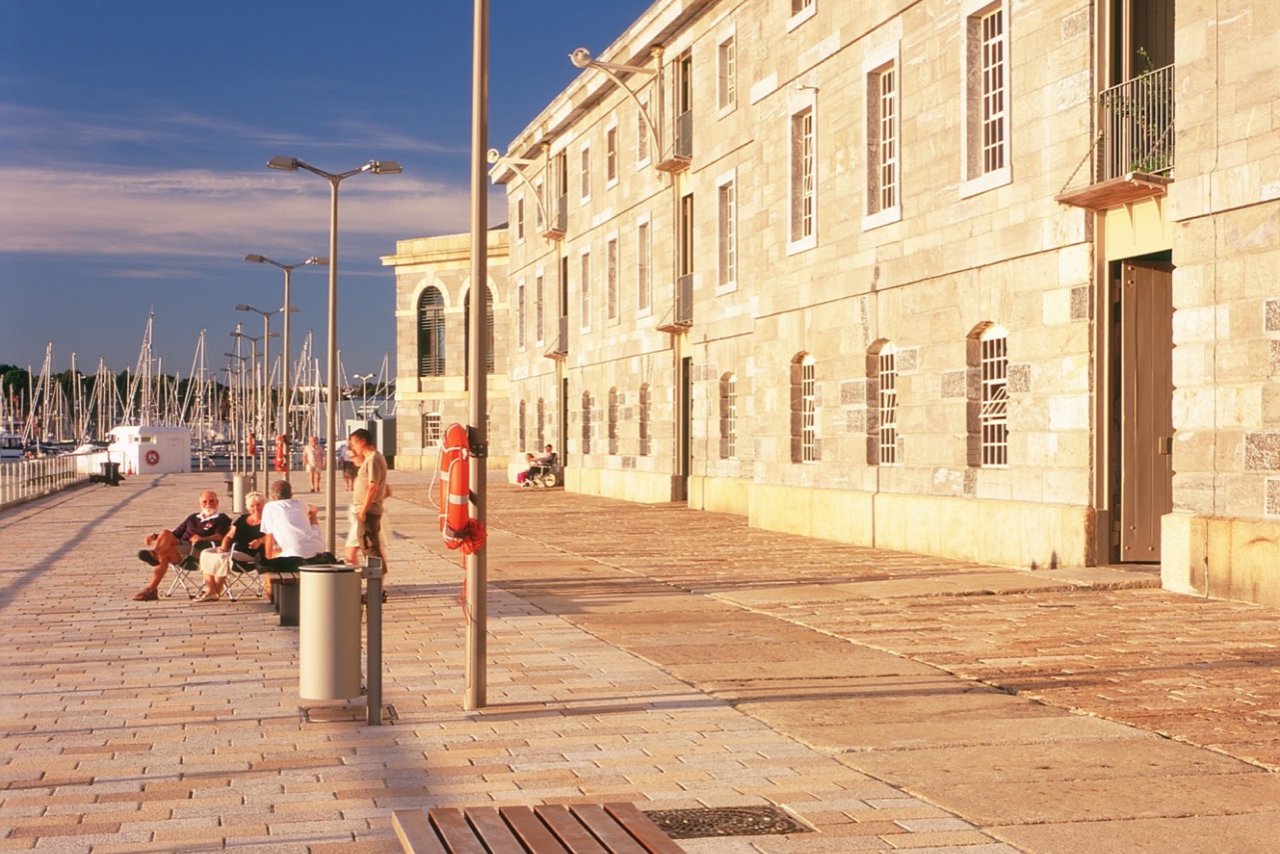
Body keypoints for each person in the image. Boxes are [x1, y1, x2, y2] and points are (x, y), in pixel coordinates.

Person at [132, 490, 231, 601]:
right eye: (205, 501)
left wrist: (202, 538)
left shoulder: (221, 518)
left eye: (211, 501)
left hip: (199, 550)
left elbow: (220, 536)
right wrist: (154, 536)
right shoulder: (193, 517)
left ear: (217, 502)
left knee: (163, 547)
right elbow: (175, 534)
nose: (208, 504)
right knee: (164, 545)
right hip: (181, 550)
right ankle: (151, 589)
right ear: (200, 503)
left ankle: (154, 556)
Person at [258, 479, 328, 595]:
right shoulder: (301, 504)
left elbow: (269, 536)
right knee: (312, 518)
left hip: (296, 554)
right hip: (318, 547)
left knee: (275, 553)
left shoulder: (270, 507)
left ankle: (271, 592)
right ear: (291, 494)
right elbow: (313, 508)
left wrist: (268, 561)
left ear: (272, 496)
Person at [195, 491, 266, 602]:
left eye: (258, 505)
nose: (255, 508)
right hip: (233, 551)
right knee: (205, 553)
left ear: (264, 505)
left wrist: (260, 541)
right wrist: (223, 547)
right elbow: (228, 536)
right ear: (248, 507)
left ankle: (214, 591)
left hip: (252, 554)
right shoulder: (242, 519)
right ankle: (211, 589)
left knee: (223, 558)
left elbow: (274, 537)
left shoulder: (268, 520)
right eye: (252, 506)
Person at [347, 428, 388, 576]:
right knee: (368, 546)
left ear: (362, 441)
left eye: (354, 443)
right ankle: (377, 585)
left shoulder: (373, 459)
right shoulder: (372, 459)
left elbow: (373, 486)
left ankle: (377, 587)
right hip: (368, 509)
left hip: (368, 511)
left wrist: (363, 510)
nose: (353, 447)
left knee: (369, 546)